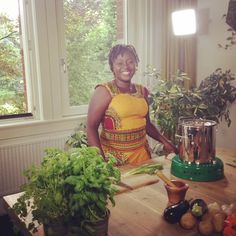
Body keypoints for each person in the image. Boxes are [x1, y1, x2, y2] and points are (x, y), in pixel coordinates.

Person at [87, 44, 177, 164]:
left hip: (143, 157)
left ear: (136, 65)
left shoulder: (142, 91)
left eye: (130, 62)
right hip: (114, 160)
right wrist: (101, 162)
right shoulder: (104, 91)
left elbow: (147, 124)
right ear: (112, 67)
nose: (126, 67)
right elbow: (91, 128)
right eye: (119, 63)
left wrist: (166, 142)